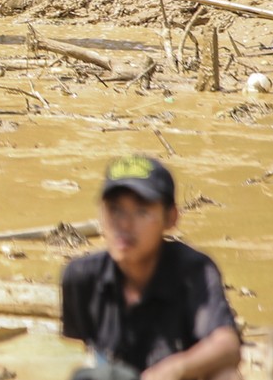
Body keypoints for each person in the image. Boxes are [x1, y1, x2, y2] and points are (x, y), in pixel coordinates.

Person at [61, 156, 242, 380]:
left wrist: (174, 370)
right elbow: (72, 353)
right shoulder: (81, 276)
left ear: (171, 218)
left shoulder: (193, 272)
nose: (124, 225)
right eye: (115, 210)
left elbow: (227, 345)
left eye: (141, 212)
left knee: (226, 375)